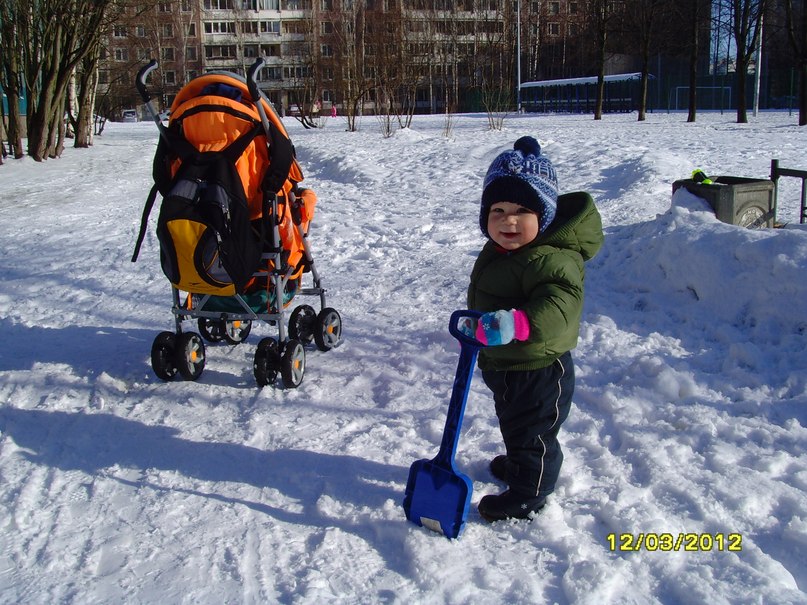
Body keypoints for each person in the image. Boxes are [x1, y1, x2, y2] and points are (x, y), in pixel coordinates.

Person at [466, 135, 603, 521]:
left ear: (543, 216)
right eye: (498, 209)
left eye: (522, 210)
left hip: (540, 369)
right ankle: (520, 465)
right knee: (514, 423)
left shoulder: (552, 258)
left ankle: (531, 491)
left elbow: (559, 308)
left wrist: (514, 323)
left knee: (534, 433)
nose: (508, 220)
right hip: (508, 363)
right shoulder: (506, 250)